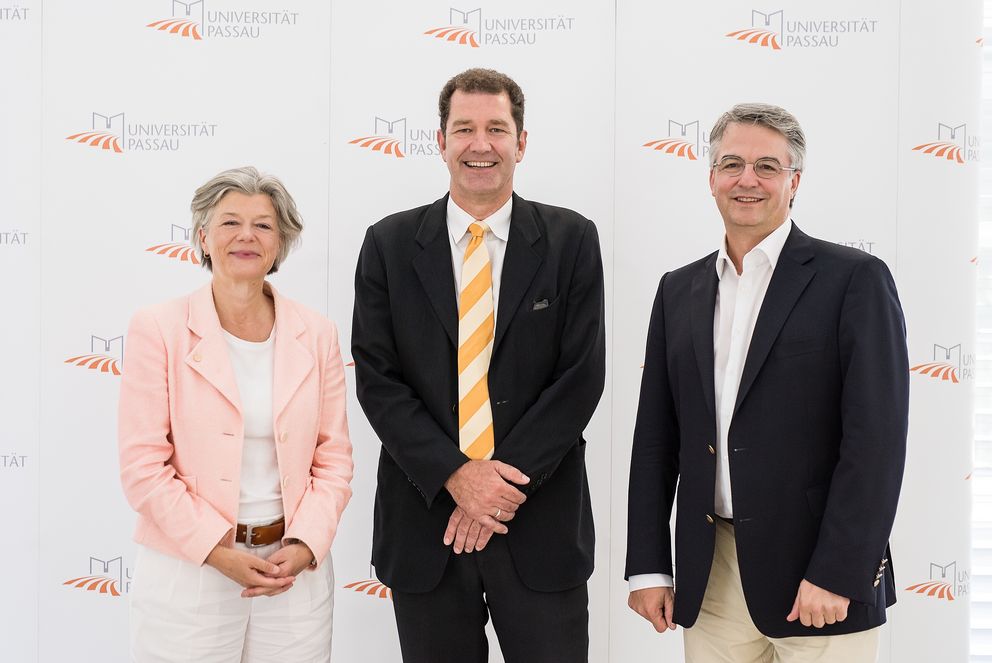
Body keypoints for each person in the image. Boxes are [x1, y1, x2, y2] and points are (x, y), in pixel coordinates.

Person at [625, 103, 909, 662]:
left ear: (794, 181)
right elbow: (655, 439)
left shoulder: (854, 280)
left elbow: (876, 443)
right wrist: (649, 565)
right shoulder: (677, 290)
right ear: (711, 179)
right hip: (712, 574)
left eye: (767, 167)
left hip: (819, 577)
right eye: (731, 164)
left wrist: (840, 571)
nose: (747, 180)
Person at [352, 68, 605, 663]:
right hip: (427, 526)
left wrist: (494, 486)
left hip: (539, 524)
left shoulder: (572, 240)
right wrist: (455, 476)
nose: (480, 144)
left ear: (522, 142)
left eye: (497, 128)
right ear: (440, 141)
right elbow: (377, 379)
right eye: (463, 128)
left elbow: (580, 378)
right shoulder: (388, 245)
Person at [118, 166, 354, 662]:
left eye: (264, 225)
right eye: (229, 223)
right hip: (189, 571)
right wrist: (214, 550)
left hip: (293, 575)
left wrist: (308, 544)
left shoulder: (317, 333)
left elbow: (333, 460)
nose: (246, 236)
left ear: (281, 243)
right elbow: (143, 469)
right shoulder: (158, 329)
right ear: (203, 237)